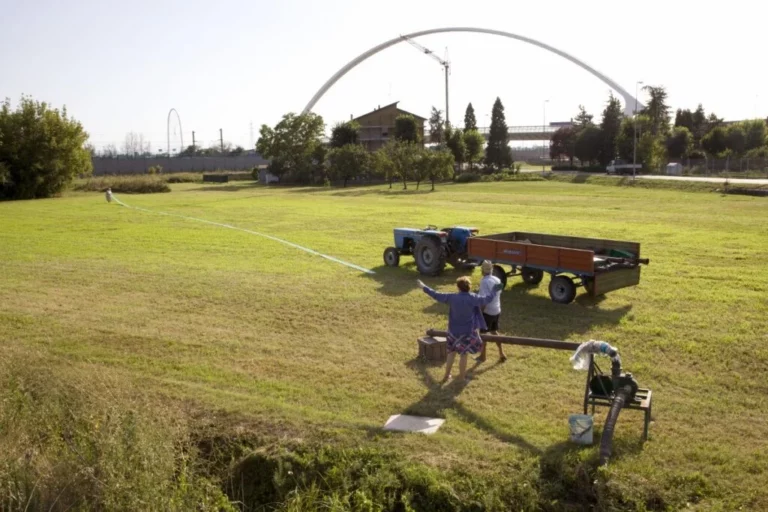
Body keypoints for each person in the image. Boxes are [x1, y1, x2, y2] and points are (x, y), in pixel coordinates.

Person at [417, 276, 502, 383]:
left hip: (453, 332)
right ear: (469, 287)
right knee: (463, 355)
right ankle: (462, 378)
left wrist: (423, 287)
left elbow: (436, 294)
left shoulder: (452, 297)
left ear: (458, 287)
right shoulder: (473, 297)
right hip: (467, 332)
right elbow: (488, 299)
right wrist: (494, 290)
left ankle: (446, 376)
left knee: (451, 354)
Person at [476, 260, 506, 363]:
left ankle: (483, 356)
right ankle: (501, 353)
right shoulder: (497, 279)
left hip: (488, 311)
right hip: (497, 309)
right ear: (491, 269)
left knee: (483, 334)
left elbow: (484, 300)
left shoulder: (484, 282)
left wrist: (479, 313)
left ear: (482, 270)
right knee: (494, 331)